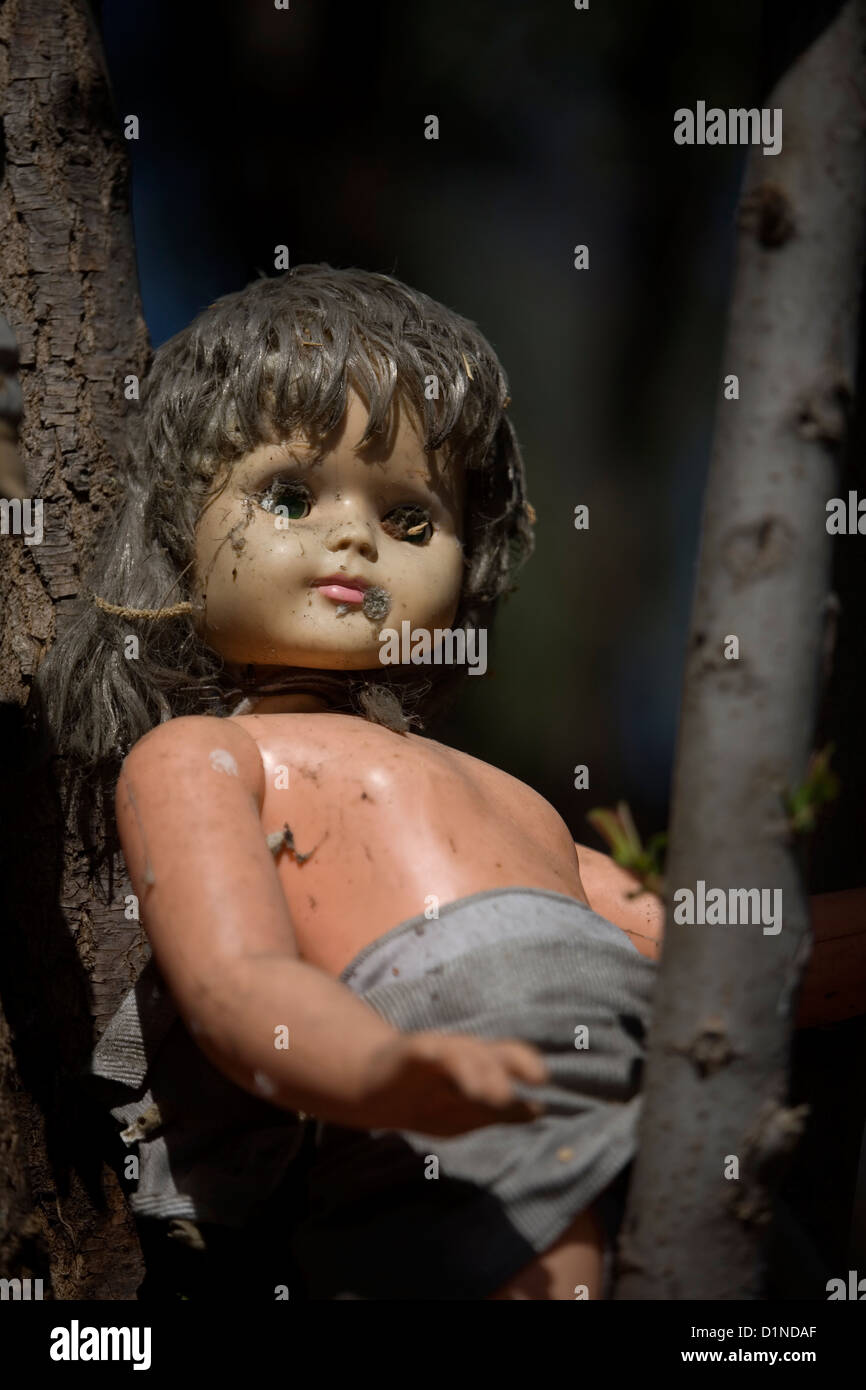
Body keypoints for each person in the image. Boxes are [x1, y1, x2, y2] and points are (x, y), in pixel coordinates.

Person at [37, 263, 666, 1300]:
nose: (353, 536)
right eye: (289, 494)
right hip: (436, 1124)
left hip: (653, 1093)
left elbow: (699, 960)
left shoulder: (514, 800)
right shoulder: (201, 757)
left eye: (412, 520)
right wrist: (381, 1070)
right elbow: (237, 983)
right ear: (176, 532)